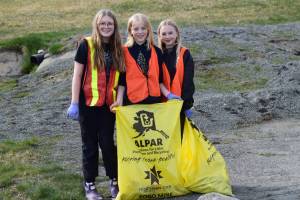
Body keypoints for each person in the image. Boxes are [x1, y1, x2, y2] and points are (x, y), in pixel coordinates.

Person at [66, 9, 125, 200]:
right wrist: (74, 102)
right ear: (97, 25)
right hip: (87, 106)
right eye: (102, 24)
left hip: (109, 106)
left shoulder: (119, 48)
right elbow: (77, 76)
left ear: (114, 26)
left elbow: (122, 79)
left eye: (109, 23)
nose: (106, 27)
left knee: (108, 144)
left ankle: (114, 182)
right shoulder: (86, 45)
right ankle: (90, 185)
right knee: (89, 146)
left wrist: (120, 99)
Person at [110, 13, 179, 109]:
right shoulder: (123, 52)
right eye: (136, 29)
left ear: (148, 30)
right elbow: (122, 81)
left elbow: (159, 80)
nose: (140, 32)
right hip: (132, 102)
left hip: (154, 102)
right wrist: (118, 100)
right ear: (130, 31)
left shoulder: (157, 51)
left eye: (143, 28)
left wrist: (168, 95)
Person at [157, 19, 195, 134]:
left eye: (170, 33)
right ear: (159, 35)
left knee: (180, 138)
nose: (167, 36)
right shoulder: (156, 54)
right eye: (164, 34)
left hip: (180, 105)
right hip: (162, 106)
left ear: (177, 34)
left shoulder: (185, 53)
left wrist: (187, 105)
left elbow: (188, 82)